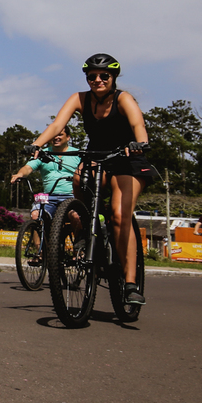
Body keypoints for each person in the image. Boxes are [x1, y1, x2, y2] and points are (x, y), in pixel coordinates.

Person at [26, 54, 150, 306]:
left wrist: (140, 143)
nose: (97, 80)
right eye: (92, 76)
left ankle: (130, 283)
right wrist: (37, 144)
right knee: (78, 178)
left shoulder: (123, 99)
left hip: (127, 158)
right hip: (98, 155)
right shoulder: (79, 98)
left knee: (120, 215)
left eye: (104, 76)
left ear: (113, 77)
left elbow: (139, 125)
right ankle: (87, 227)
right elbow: (57, 125)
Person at [10, 126, 81, 221]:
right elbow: (28, 167)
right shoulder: (41, 153)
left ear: (68, 137)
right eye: (54, 135)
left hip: (72, 196)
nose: (56, 137)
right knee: (36, 215)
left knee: (76, 216)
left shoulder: (78, 154)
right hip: (48, 197)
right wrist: (20, 174)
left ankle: (80, 231)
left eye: (60, 135)